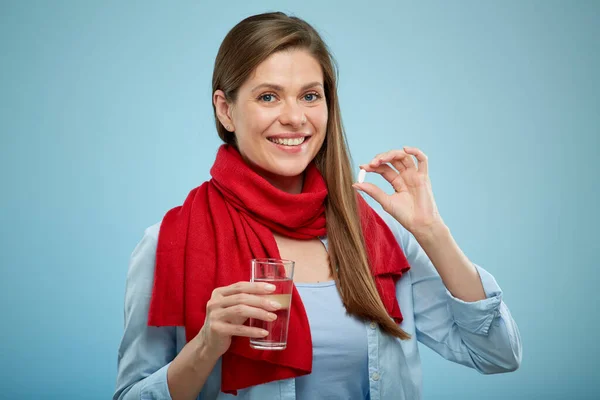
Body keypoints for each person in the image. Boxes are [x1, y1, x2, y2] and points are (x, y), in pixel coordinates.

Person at [114, 11, 522, 400]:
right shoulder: (169, 244)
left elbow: (497, 354)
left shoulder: (379, 238)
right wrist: (204, 347)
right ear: (226, 110)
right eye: (269, 96)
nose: (295, 117)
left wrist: (433, 233)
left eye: (310, 95)